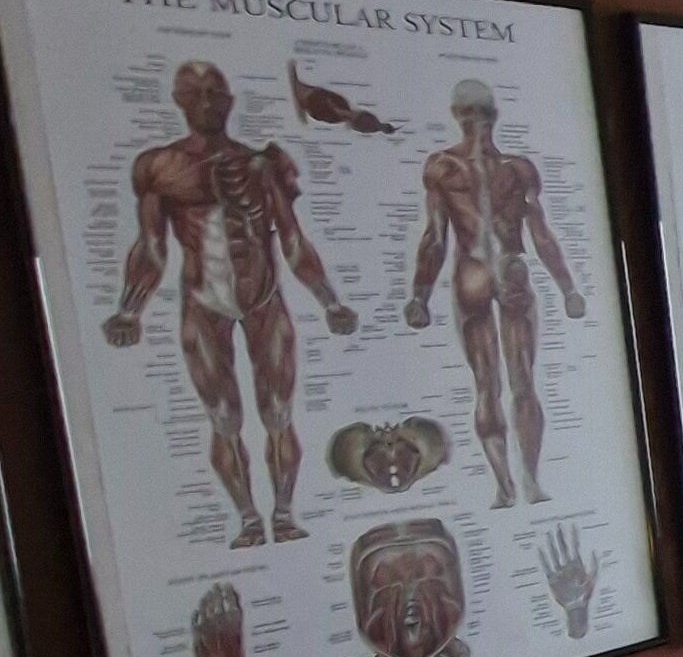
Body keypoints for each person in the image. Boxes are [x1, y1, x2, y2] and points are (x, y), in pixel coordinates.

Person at [104, 61, 357, 549]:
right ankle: (246, 518)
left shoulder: (260, 165)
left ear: (231, 100)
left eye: (216, 93)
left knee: (279, 410)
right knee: (223, 415)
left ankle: (283, 514)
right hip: (204, 300)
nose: (207, 103)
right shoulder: (160, 167)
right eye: (195, 94)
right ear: (179, 100)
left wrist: (329, 302)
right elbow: (152, 246)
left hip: (263, 297)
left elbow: (292, 240)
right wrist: (130, 309)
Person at [406, 78, 584, 507]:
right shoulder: (517, 169)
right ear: (493, 114)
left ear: (458, 115)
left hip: (474, 270)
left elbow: (435, 238)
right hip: (510, 265)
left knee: (489, 384)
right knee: (520, 381)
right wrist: (567, 289)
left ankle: (508, 485)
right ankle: (528, 482)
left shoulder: (444, 168)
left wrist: (420, 296)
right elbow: (540, 235)